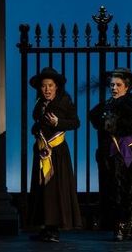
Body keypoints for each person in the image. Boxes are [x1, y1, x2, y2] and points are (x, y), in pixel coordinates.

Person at [89, 68, 132, 241]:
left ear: (127, 87)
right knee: (112, 190)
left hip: (126, 155)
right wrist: (106, 120)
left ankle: (127, 225)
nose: (114, 88)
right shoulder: (107, 104)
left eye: (118, 85)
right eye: (112, 84)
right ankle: (119, 225)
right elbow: (95, 117)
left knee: (126, 190)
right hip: (109, 155)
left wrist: (111, 123)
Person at [28, 67, 82, 242]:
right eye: (44, 86)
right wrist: (35, 129)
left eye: (50, 85)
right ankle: (46, 226)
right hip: (42, 151)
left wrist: (58, 122)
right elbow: (39, 123)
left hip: (57, 153)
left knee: (55, 189)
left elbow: (75, 123)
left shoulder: (65, 101)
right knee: (43, 189)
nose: (47, 89)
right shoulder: (39, 103)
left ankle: (54, 229)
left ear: (56, 86)